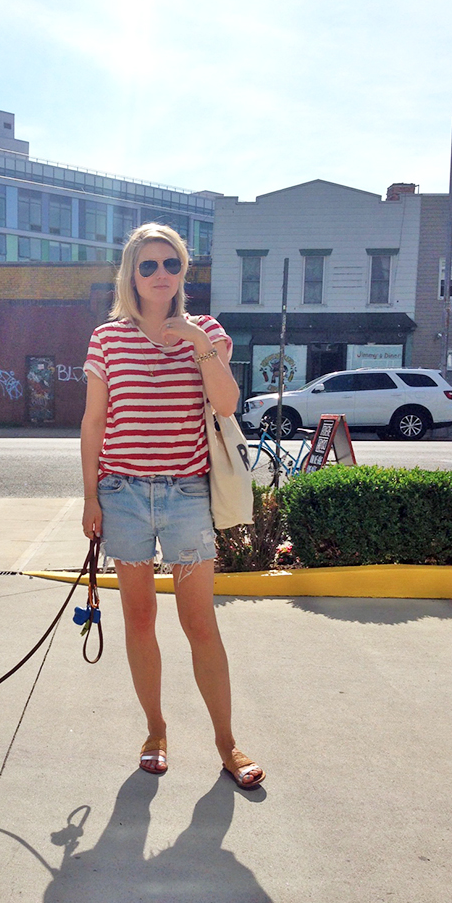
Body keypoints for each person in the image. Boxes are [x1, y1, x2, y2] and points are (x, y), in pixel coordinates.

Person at [80, 223, 264, 787]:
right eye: (149, 265)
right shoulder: (107, 339)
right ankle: (156, 730)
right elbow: (94, 421)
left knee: (199, 622)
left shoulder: (206, 331)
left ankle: (227, 744)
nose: (161, 275)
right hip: (123, 494)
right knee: (139, 619)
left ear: (184, 272)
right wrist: (90, 495)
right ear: (131, 274)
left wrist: (195, 339)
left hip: (187, 493)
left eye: (172, 265)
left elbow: (228, 403)